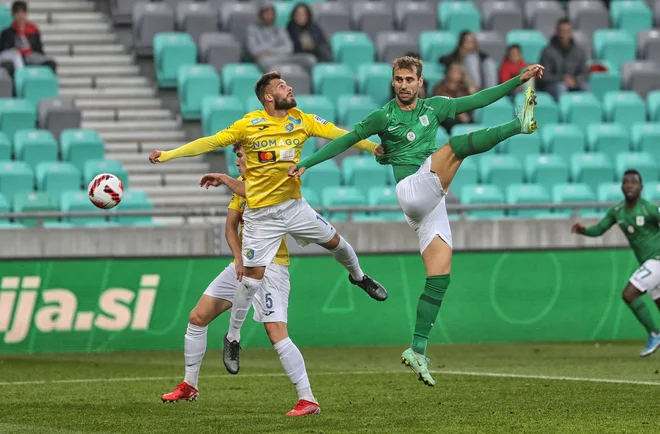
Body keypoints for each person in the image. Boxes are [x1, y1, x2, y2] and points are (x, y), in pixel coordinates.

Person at [290, 56, 542, 386]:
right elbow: (347, 140)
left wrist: (517, 81)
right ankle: (517, 125)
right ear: (393, 82)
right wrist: (309, 161)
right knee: (454, 147)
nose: (404, 85)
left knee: (440, 275)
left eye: (410, 79)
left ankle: (417, 350)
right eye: (399, 79)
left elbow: (478, 99)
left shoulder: (435, 107)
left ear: (420, 82)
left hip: (430, 201)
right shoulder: (384, 115)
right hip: (411, 189)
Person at [149, 71, 389, 360]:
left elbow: (343, 135)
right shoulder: (249, 125)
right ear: (268, 96)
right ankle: (233, 338)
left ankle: (359, 277)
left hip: (294, 206)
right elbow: (210, 142)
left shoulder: (302, 120)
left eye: (287, 84)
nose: (289, 89)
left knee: (338, 243)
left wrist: (372, 146)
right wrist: (168, 154)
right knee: (250, 281)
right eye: (281, 86)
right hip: (262, 216)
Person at [161, 144, 321, 417]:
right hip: (243, 266)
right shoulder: (242, 185)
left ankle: (308, 399)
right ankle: (190, 385)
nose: (237, 161)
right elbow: (230, 227)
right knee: (197, 317)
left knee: (276, 333)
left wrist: (223, 179)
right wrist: (237, 258)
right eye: (236, 156)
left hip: (272, 268)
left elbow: (265, 200)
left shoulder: (272, 183)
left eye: (241, 155)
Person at [571, 169, 660, 358]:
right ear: (621, 186)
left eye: (633, 183)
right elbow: (599, 229)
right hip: (650, 263)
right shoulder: (617, 211)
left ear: (641, 187)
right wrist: (583, 230)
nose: (629, 186)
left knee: (629, 293)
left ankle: (655, 333)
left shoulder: (648, 209)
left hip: (657, 260)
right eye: (626, 182)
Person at [246, 2, 316, 73]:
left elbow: (289, 48)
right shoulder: (252, 30)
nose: (269, 16)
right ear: (260, 15)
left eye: (271, 13)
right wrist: (276, 47)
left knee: (309, 59)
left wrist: (269, 50)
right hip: (267, 60)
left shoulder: (280, 29)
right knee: (263, 62)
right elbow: (253, 50)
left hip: (285, 58)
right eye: (266, 13)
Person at [538, 18, 589, 101]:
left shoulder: (579, 51)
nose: (564, 34)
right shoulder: (548, 51)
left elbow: (585, 73)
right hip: (554, 85)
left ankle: (584, 112)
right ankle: (561, 112)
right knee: (561, 88)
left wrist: (575, 80)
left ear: (571, 32)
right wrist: (562, 78)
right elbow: (544, 75)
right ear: (557, 32)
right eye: (562, 31)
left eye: (567, 31)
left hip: (574, 83)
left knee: (586, 87)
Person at [0, 1, 57, 75]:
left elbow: (39, 50)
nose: (20, 16)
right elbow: (4, 50)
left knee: (51, 64)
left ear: (26, 14)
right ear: (13, 14)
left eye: (23, 13)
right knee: (9, 66)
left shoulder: (33, 30)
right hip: (16, 57)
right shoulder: (7, 32)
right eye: (18, 13)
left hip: (31, 56)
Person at [432, 62, 477, 133]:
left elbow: (472, 103)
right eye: (452, 70)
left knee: (475, 125)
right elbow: (437, 106)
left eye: (457, 72)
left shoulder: (464, 89)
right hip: (446, 119)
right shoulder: (440, 87)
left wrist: (467, 79)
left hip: (463, 118)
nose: (454, 73)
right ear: (448, 72)